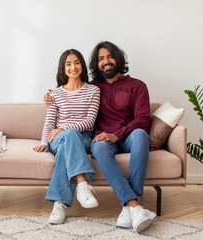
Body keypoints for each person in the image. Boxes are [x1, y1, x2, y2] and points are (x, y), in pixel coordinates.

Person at [44, 41, 156, 233]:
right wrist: (50, 98)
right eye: (100, 59)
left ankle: (131, 203)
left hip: (128, 137)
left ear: (118, 59)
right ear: (96, 64)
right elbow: (63, 101)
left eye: (110, 57)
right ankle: (133, 208)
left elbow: (143, 119)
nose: (106, 62)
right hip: (102, 140)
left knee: (140, 135)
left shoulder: (136, 86)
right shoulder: (94, 87)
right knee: (97, 147)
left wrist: (117, 135)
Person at [34, 49, 101, 225]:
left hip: (83, 137)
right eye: (68, 64)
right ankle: (82, 185)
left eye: (77, 62)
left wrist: (64, 127)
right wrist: (43, 142)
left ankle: (59, 204)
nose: (73, 67)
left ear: (82, 65)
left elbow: (89, 121)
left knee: (67, 144)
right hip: (57, 137)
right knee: (66, 140)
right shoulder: (55, 94)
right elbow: (49, 123)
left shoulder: (93, 91)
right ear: (63, 68)